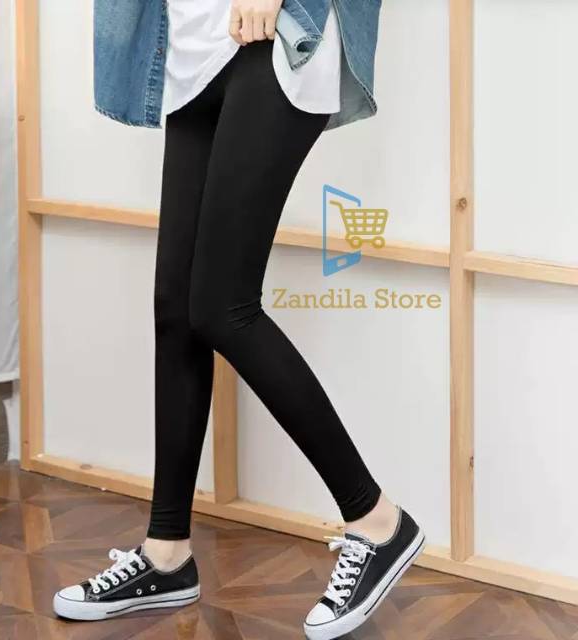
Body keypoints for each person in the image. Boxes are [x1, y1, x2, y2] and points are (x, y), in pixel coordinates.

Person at [53, 1, 425, 637]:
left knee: (223, 307)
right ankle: (167, 553)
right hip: (189, 40)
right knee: (177, 310)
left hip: (275, 28)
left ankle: (377, 519)